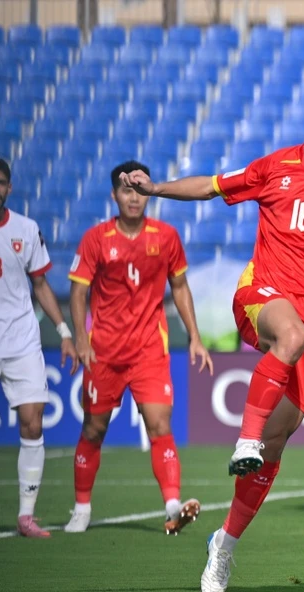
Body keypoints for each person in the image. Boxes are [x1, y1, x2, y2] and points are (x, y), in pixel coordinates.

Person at [119, 88, 304, 592]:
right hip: (261, 294)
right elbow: (211, 187)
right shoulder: (276, 165)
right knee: (288, 337)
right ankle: (244, 438)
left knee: (274, 446)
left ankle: (224, 542)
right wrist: (155, 189)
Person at [65, 161, 214, 534]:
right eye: (126, 190)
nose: (133, 198)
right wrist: (81, 339)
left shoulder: (165, 237)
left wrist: (194, 335)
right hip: (104, 352)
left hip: (150, 349)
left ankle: (173, 506)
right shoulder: (96, 239)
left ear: (148, 191)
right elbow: (78, 290)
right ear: (114, 195)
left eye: (139, 189)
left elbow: (179, 287)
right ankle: (81, 508)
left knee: (160, 425)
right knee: (94, 430)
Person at [0, 157, 78, 537]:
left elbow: (40, 284)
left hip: (22, 341)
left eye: (0, 183)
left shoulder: (26, 229)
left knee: (32, 419)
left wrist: (64, 332)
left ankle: (26, 516)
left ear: (10, 188)